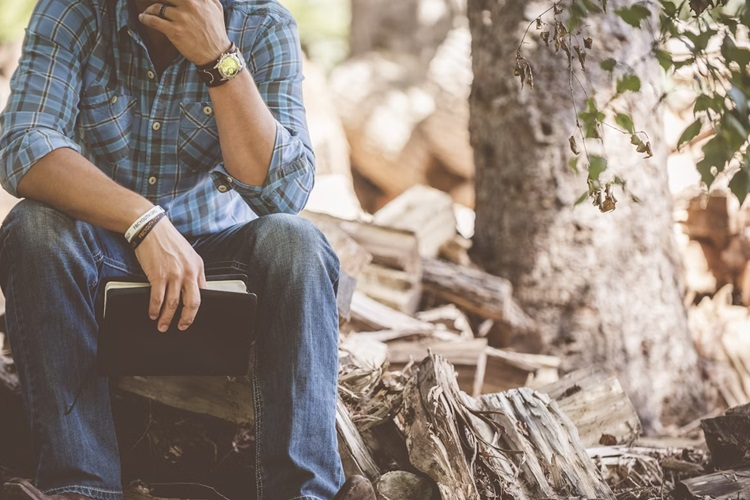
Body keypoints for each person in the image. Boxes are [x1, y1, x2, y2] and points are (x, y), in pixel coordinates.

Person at [0, 0, 375, 499]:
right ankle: (81, 487)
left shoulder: (263, 22)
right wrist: (143, 221)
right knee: (33, 227)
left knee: (297, 243)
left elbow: (284, 194)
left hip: (218, 266)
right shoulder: (73, 11)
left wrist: (219, 58)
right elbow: (23, 146)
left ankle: (304, 492)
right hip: (100, 255)